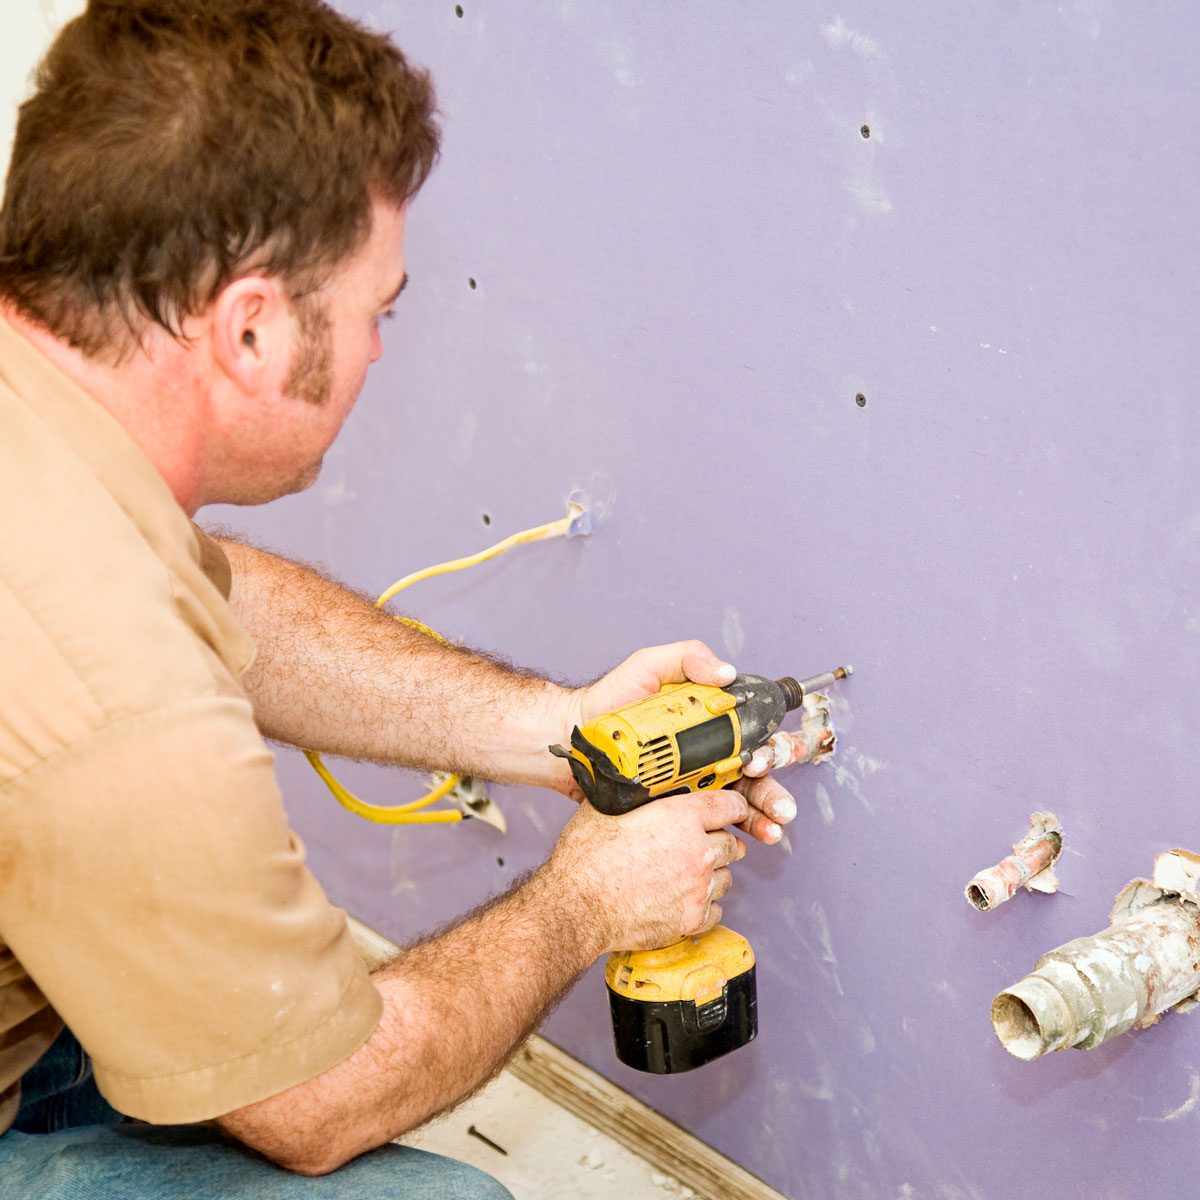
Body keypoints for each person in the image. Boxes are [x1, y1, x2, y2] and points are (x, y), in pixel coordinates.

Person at [0, 2, 798, 1195]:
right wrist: (585, 904)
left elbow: (216, 603)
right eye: (378, 310)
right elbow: (316, 1105)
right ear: (251, 330)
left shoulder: (49, 437)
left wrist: (559, 730)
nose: (380, 349)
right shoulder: (115, 697)